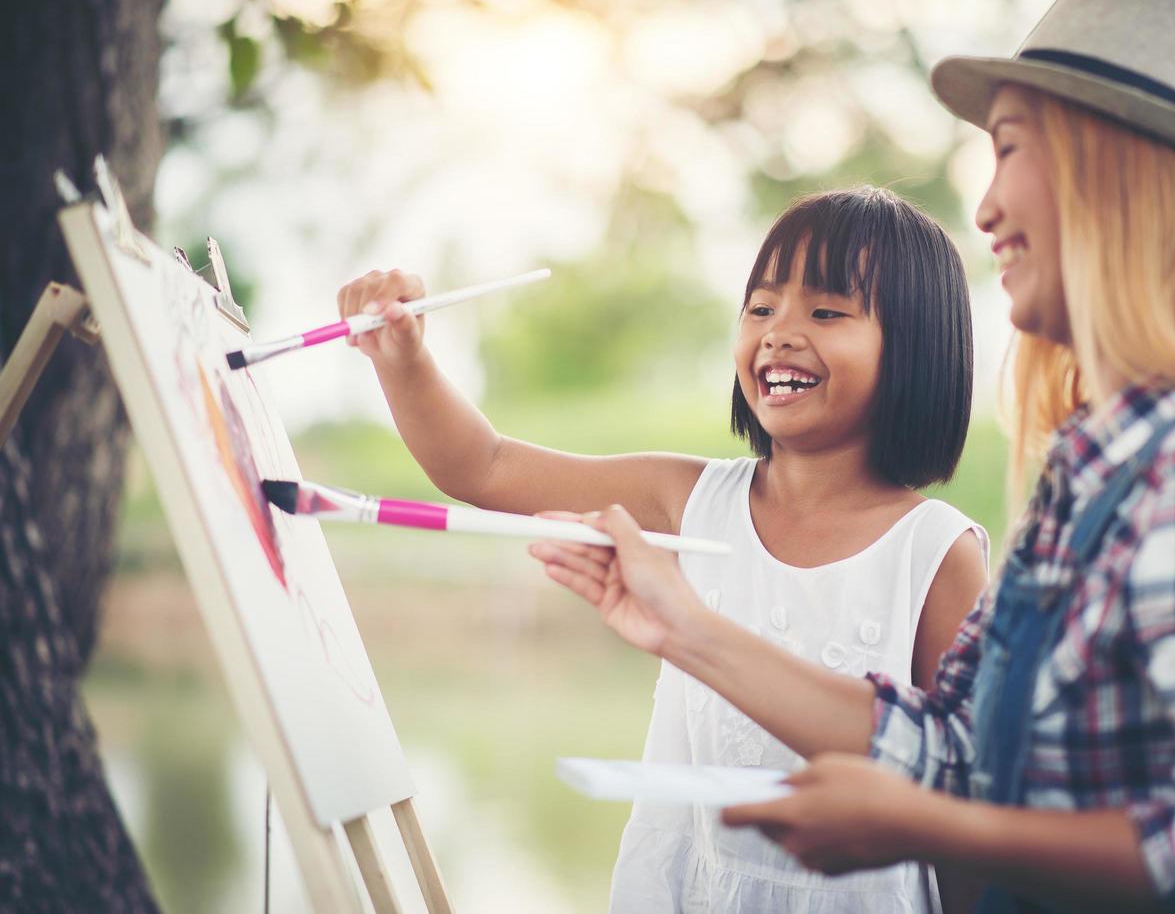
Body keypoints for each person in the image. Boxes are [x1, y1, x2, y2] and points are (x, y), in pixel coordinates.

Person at [533, 0, 1175, 912]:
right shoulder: (1092, 466)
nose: (985, 210)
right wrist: (684, 629)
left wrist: (924, 828)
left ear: (1118, 172)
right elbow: (954, 746)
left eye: (1008, 152)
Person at [337, 186, 989, 912]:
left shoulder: (935, 553)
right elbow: (483, 467)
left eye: (826, 312)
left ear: (918, 348)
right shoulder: (685, 498)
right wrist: (401, 361)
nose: (776, 333)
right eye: (761, 307)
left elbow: (962, 799)